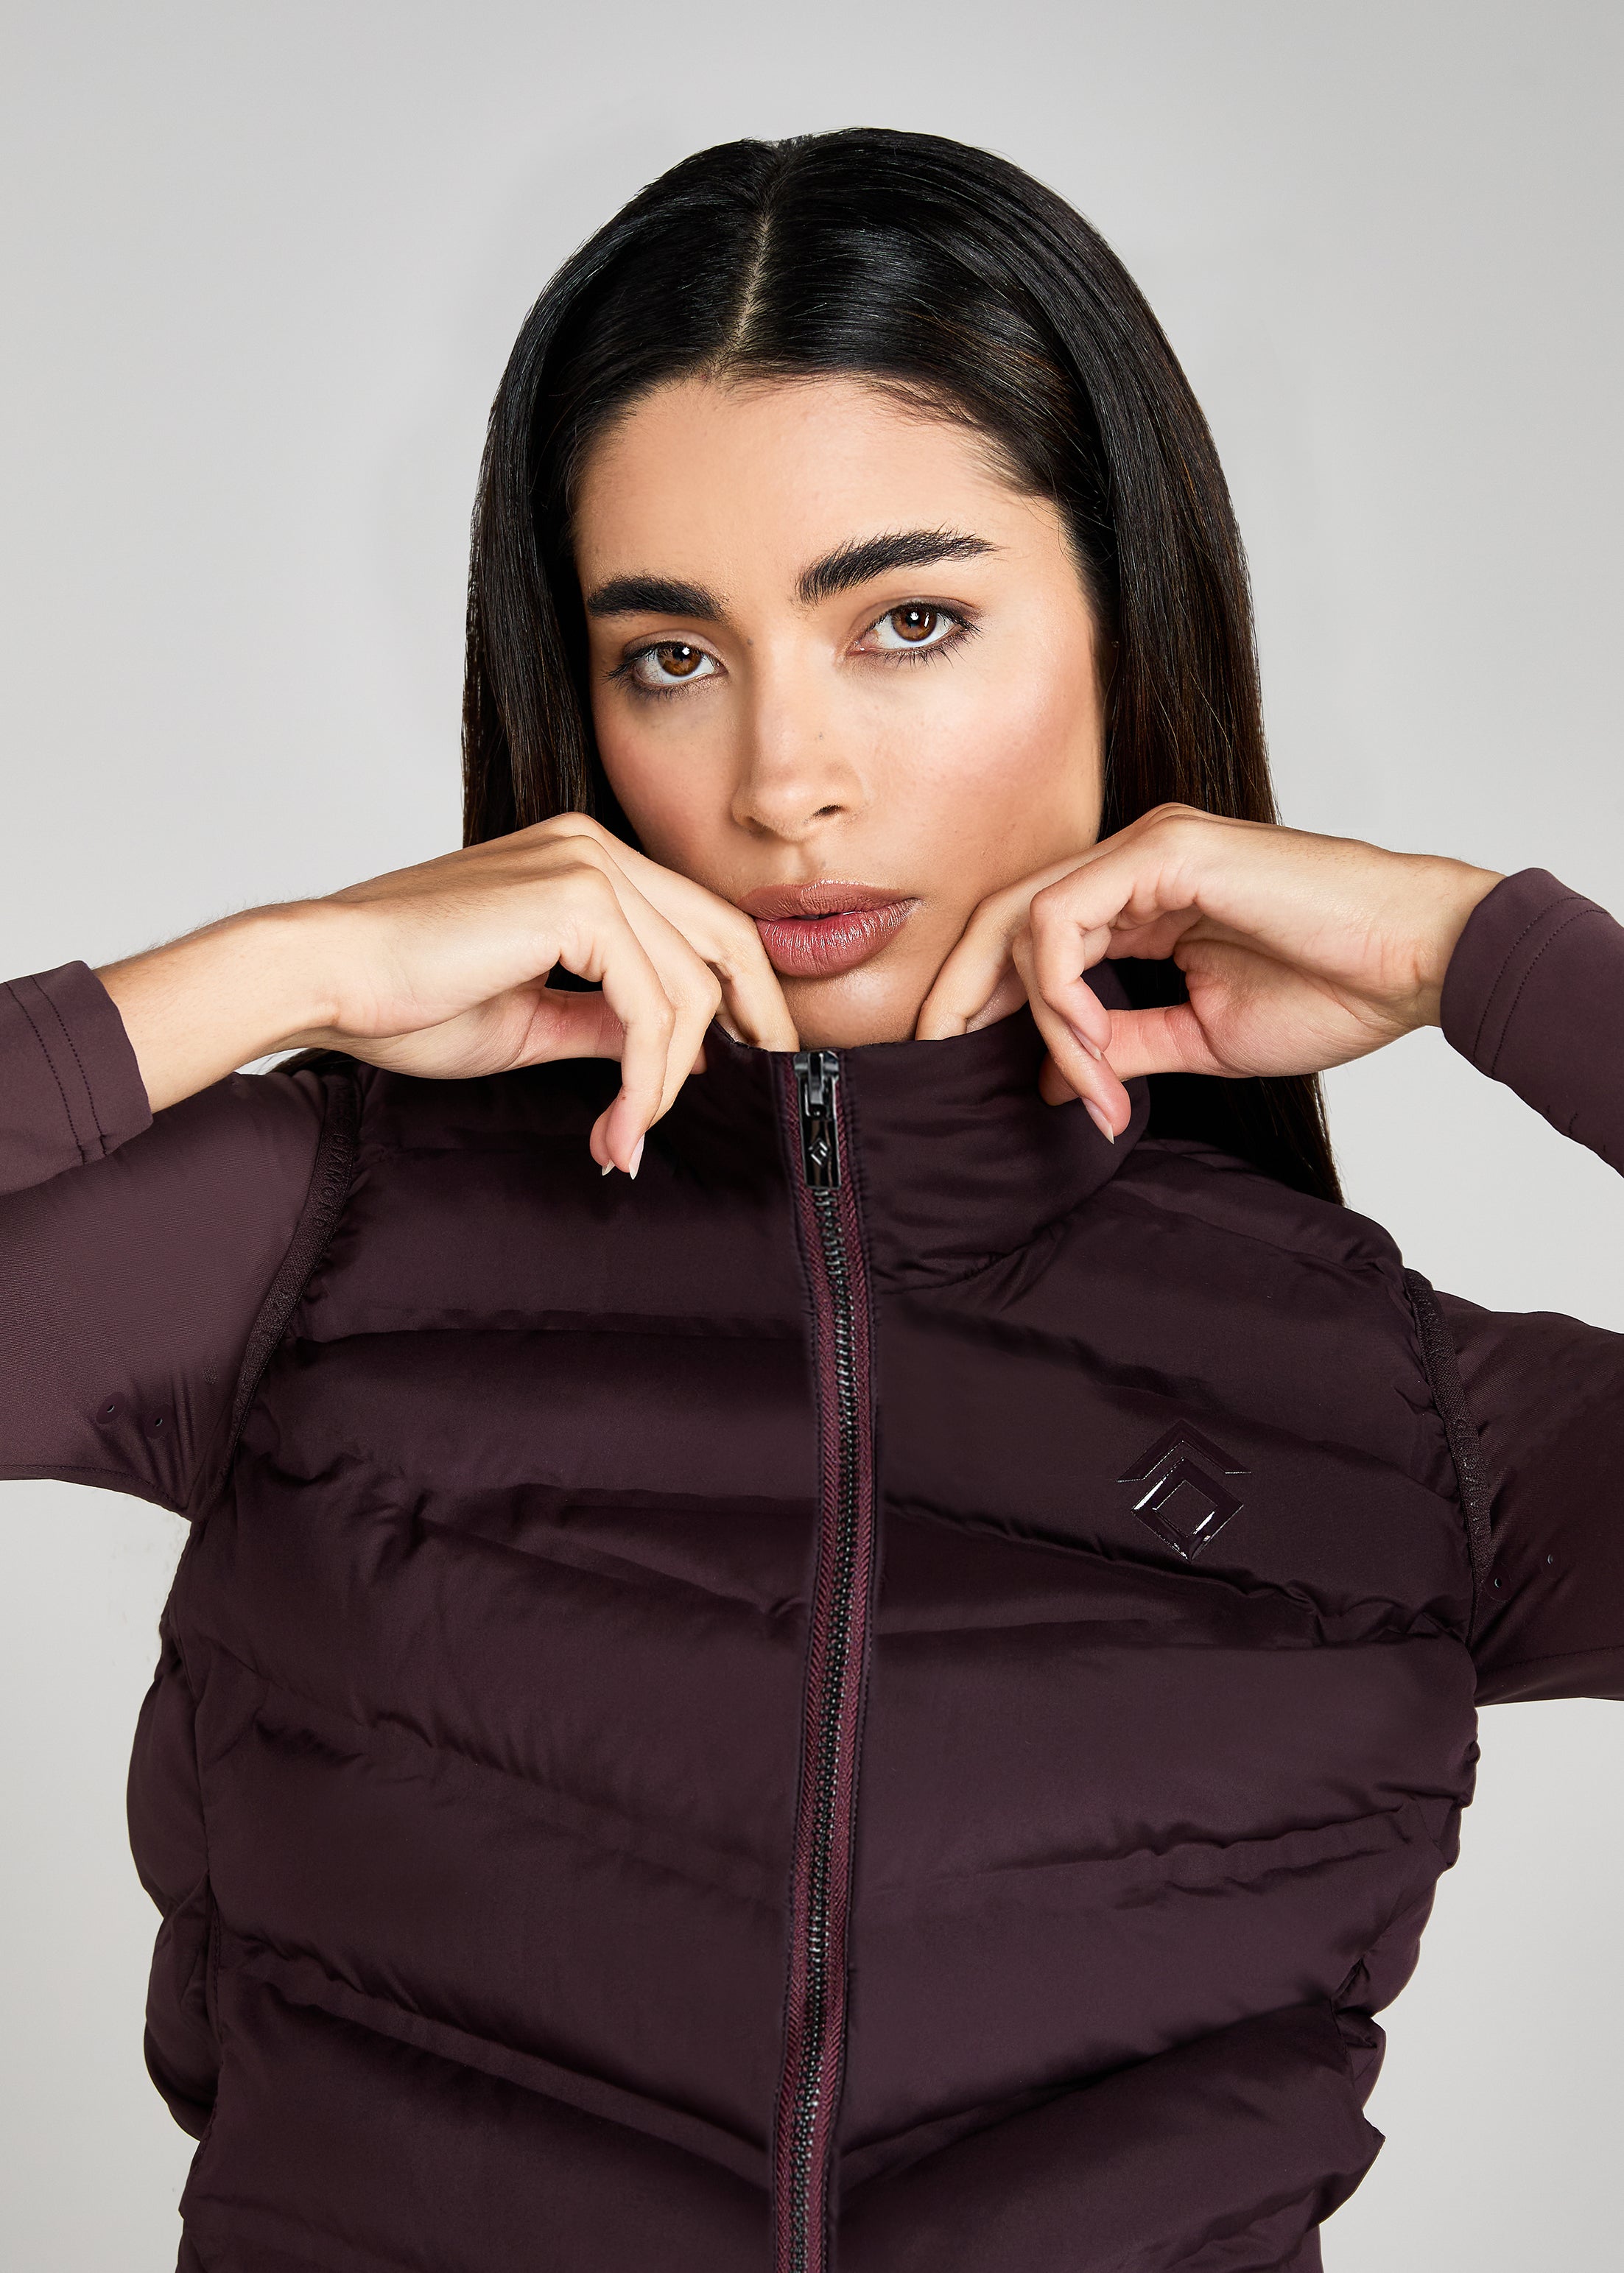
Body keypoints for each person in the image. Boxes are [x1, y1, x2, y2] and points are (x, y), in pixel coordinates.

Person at [2, 126, 1620, 2273]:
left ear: (1126, 624)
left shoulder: (1401, 1407)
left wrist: (1481, 953)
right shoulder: (306, 1241)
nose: (784, 784)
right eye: (672, 657)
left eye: (910, 623)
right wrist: (279, 970)